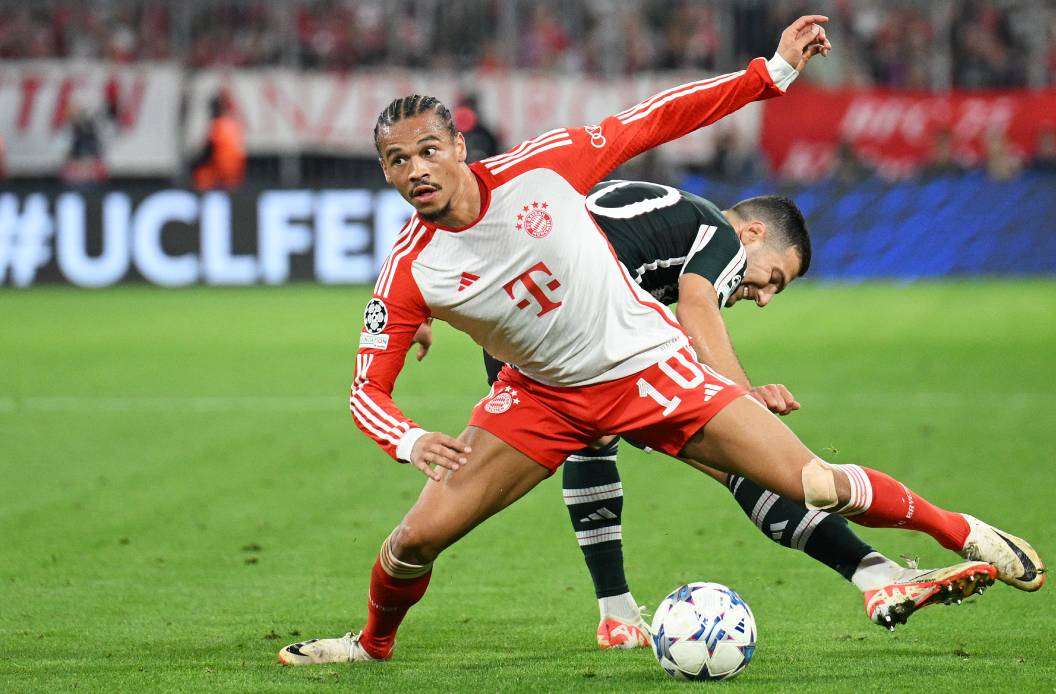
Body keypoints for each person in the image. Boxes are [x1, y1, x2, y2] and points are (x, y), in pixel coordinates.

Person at [280, 15, 1043, 666]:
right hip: (538, 401)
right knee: (412, 543)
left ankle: (963, 532)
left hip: (649, 365)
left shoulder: (542, 169)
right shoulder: (411, 271)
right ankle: (374, 645)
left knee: (808, 481)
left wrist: (768, 73)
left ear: (457, 145)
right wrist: (411, 442)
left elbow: (657, 117)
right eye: (396, 161)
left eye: (426, 150)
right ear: (384, 172)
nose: (416, 170)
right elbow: (364, 391)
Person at [402, 180, 996, 646]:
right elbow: (697, 305)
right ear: (753, 233)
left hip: (540, 339)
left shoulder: (657, 220)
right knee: (748, 461)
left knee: (601, 446)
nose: (762, 297)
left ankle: (617, 614)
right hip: (583, 346)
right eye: (774, 280)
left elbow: (499, 241)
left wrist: (421, 309)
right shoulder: (713, 231)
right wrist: (741, 398)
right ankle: (879, 571)